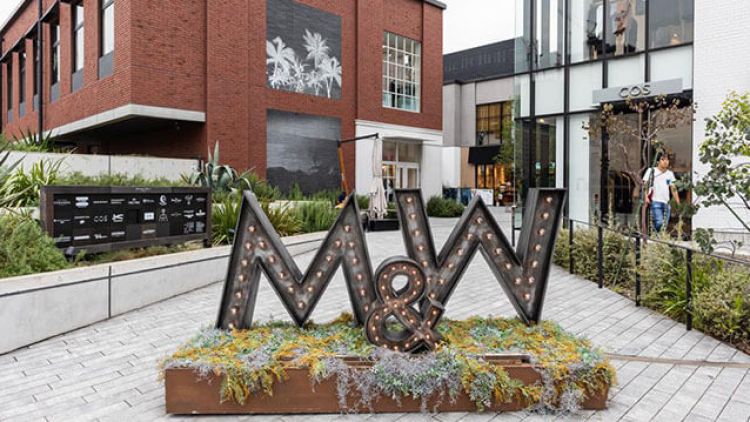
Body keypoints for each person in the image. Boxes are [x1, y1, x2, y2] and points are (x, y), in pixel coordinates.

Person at [642, 153, 680, 232]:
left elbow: (673, 188)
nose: (665, 161)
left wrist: (678, 202)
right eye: (663, 159)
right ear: (657, 161)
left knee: (664, 225)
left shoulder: (670, 174)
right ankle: (655, 234)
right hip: (655, 201)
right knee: (659, 222)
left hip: (667, 203)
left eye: (667, 160)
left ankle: (656, 236)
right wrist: (646, 197)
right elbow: (645, 185)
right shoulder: (651, 171)